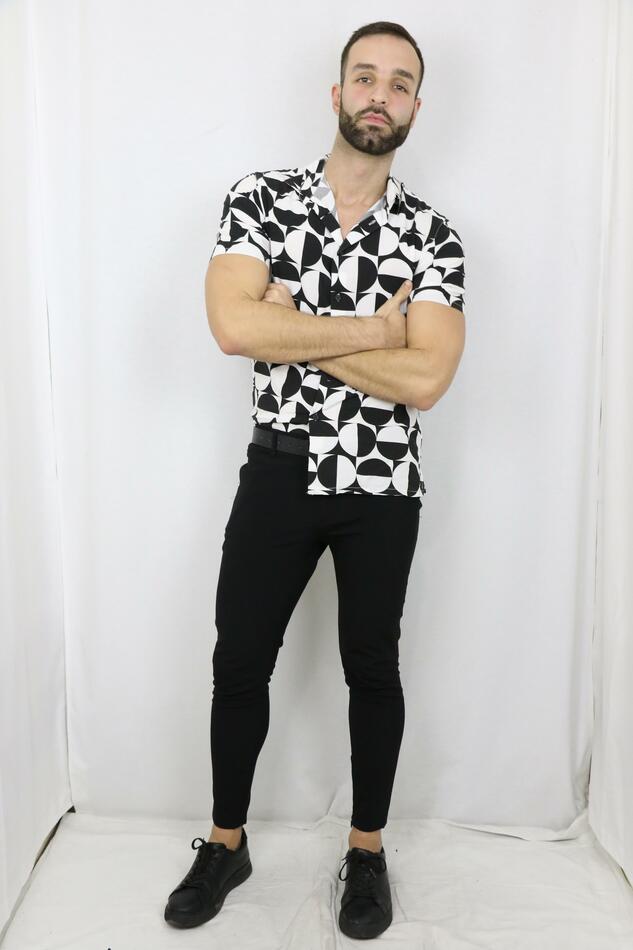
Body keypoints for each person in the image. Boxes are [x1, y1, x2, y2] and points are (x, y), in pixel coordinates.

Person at [164, 19, 465, 941]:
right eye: (365, 77)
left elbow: (427, 379)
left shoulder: (433, 237)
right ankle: (226, 843)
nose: (380, 94)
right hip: (280, 469)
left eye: (399, 83)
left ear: (415, 108)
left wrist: (295, 331)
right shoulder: (258, 200)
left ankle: (365, 851)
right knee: (238, 662)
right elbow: (233, 328)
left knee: (371, 666)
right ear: (336, 94)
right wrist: (375, 332)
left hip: (381, 480)